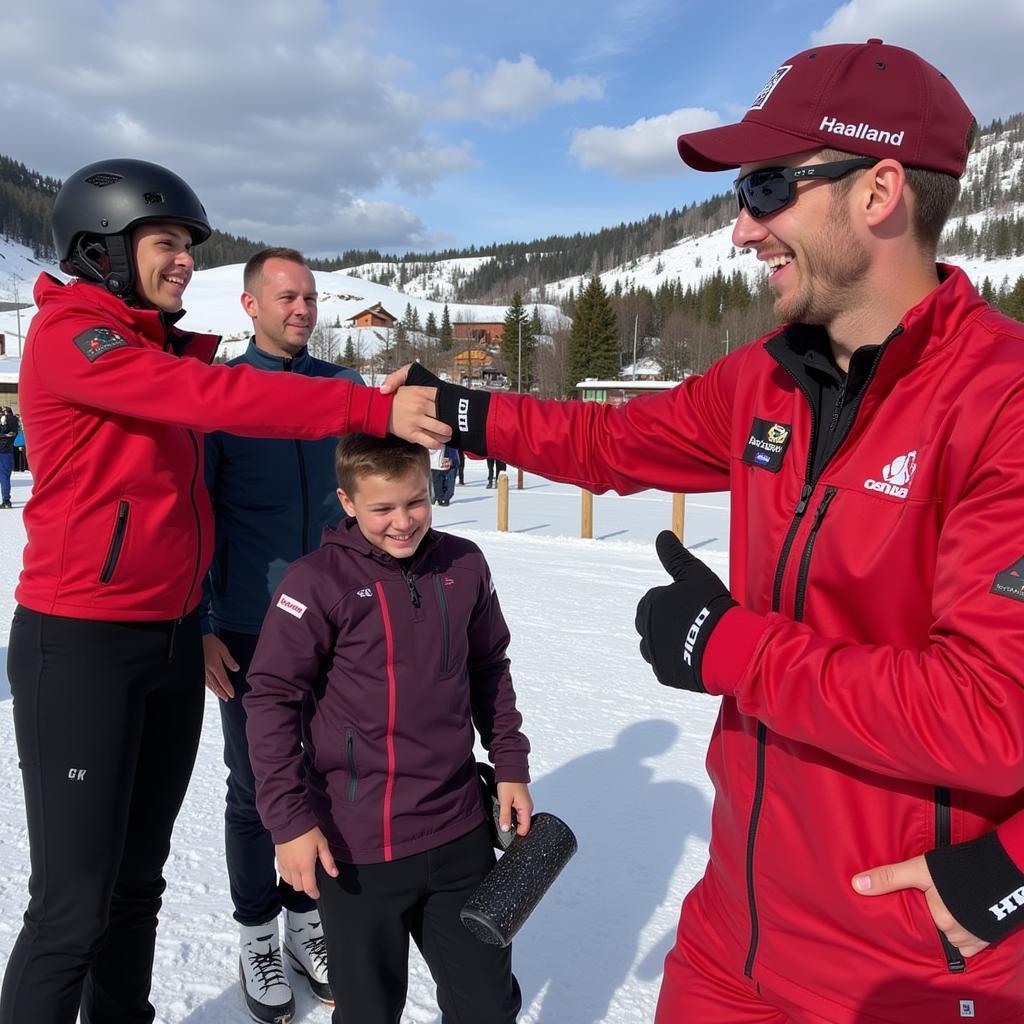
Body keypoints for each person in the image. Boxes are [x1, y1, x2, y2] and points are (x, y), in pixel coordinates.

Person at [387, 39, 1024, 1023]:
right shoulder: (768, 377)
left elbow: (994, 717)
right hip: (732, 941)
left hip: (902, 972)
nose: (739, 228)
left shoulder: (1001, 400)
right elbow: (613, 440)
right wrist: (461, 414)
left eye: (767, 187)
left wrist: (1012, 873)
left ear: (879, 190)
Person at [0, 157, 436, 1024]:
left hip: (167, 640)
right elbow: (212, 397)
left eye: (189, 248)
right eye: (165, 244)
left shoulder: (153, 346)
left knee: (135, 885)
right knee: (69, 910)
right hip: (81, 642)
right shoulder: (75, 339)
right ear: (102, 249)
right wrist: (358, 410)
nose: (184, 262)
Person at [244, 432, 533, 1024]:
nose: (403, 522)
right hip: (357, 847)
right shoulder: (314, 582)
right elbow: (271, 701)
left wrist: (510, 766)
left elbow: (489, 668)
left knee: (486, 1003)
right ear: (347, 503)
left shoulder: (463, 564)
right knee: (368, 1009)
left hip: (459, 833)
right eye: (382, 508)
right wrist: (289, 821)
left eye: (416, 501)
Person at [200, 247, 362, 1021]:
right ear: (251, 306)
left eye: (310, 297)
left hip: (334, 620)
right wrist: (202, 623)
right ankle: (257, 932)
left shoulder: (341, 388)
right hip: (247, 621)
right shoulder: (221, 393)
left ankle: (306, 923)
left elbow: (368, 498)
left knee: (325, 773)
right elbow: (196, 516)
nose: (302, 309)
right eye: (286, 297)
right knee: (256, 785)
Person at [0, 405, 20, 507]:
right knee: (5, 476)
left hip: (3, 449)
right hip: (8, 450)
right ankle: (6, 500)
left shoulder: (4, 420)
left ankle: (6, 500)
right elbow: (14, 433)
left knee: (4, 476)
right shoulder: (15, 421)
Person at [429, 441, 459, 505]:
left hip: (448, 462)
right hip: (438, 464)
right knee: (440, 483)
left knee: (445, 483)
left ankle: (443, 498)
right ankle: (441, 499)